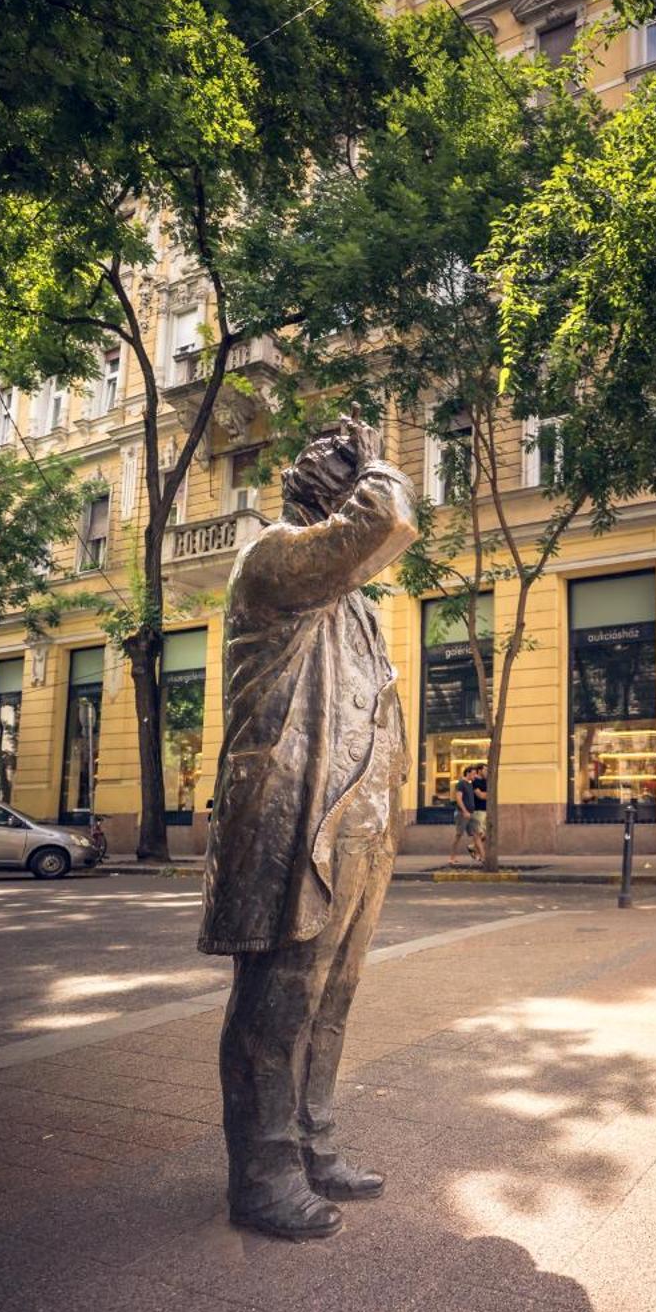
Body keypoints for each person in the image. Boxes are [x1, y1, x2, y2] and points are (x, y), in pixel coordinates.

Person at [199, 419, 416, 1241]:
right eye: (340, 462)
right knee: (278, 1002)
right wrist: (378, 460)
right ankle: (262, 1175)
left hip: (356, 820)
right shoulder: (275, 557)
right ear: (311, 485)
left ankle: (314, 1146)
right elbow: (388, 519)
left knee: (331, 998)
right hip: (294, 820)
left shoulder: (350, 599)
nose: (355, 469)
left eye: (354, 459)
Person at [450, 766, 480, 865]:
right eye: (473, 773)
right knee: (458, 835)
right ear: (468, 773)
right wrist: (464, 811)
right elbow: (458, 798)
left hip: (470, 813)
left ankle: (479, 855)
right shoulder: (461, 784)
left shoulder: (470, 784)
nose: (475, 775)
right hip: (462, 813)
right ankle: (452, 858)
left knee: (476, 834)